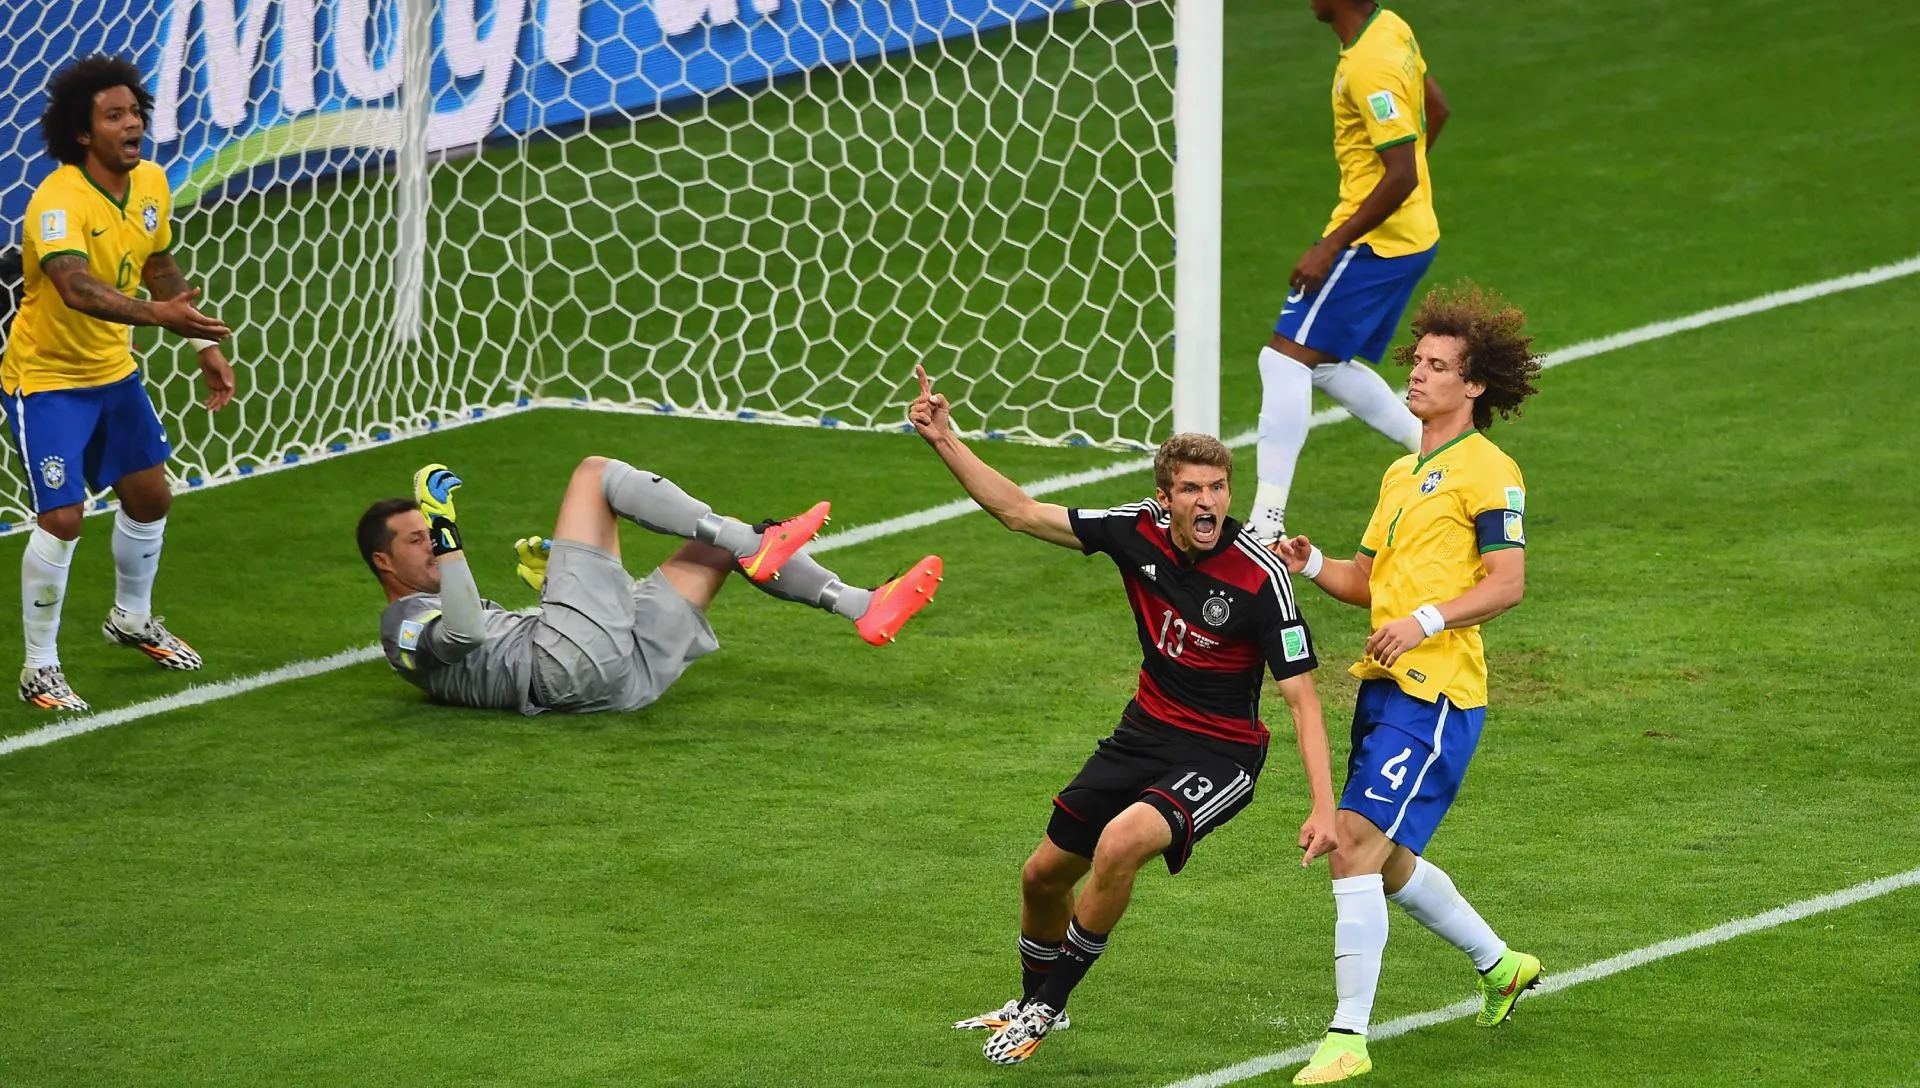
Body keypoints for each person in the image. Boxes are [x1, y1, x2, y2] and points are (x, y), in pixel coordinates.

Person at [909, 365, 1339, 1066]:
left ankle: (1050, 1006)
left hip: (1221, 754)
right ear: (1165, 497)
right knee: (1041, 876)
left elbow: (1303, 699)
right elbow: (1020, 510)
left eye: (1219, 488)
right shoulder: (1131, 531)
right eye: (1192, 489)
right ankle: (1028, 1001)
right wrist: (942, 438)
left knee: (1118, 844)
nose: (1208, 502)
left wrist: (1323, 806)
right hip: (1144, 732)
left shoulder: (1260, 577)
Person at [1274, 282, 1543, 1084]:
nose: (1416, 376)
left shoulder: (1492, 472)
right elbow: (1369, 580)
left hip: (1438, 694)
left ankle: (1347, 1038)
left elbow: (1508, 583)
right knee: (1384, 861)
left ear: (1475, 384)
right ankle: (1501, 966)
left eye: (1436, 366)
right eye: (1416, 362)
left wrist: (1426, 622)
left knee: (1353, 843)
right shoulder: (1402, 472)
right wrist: (1312, 564)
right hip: (1385, 687)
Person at [6, 54, 237, 711]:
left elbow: (158, 261)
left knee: (151, 499)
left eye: (135, 112)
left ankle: (131, 618)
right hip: (46, 380)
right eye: (115, 116)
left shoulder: (153, 183)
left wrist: (197, 341)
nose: (132, 123)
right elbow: (74, 286)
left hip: (114, 374)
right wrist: (157, 318)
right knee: (62, 516)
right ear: (84, 133)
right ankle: (40, 668)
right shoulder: (57, 202)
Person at [358, 457, 942, 714]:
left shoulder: (424, 613)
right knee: (594, 475)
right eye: (416, 540)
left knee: (719, 545)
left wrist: (548, 592)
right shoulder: (399, 626)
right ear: (383, 563)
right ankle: (754, 544)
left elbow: (481, 643)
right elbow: (460, 634)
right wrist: (447, 532)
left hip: (615, 684)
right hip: (561, 672)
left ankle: (862, 604)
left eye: (428, 532)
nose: (431, 544)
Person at [1245, 0, 1451, 544]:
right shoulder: (1392, 29)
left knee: (1283, 358)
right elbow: (1439, 109)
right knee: (1324, 362)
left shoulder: (1369, 64)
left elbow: (1401, 172)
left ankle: (1265, 524)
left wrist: (1331, 246)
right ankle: (1440, 452)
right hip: (1408, 234)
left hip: (1374, 241)